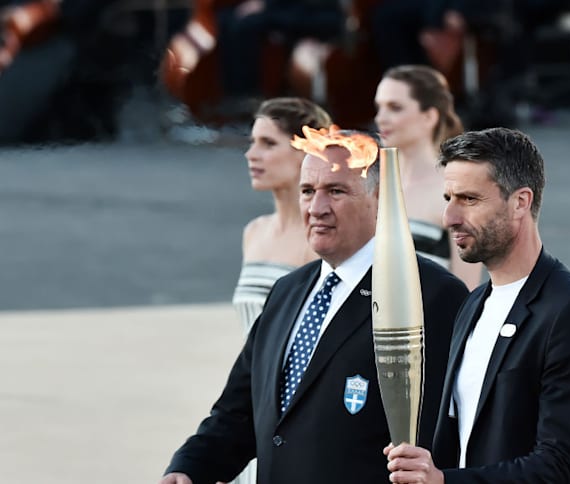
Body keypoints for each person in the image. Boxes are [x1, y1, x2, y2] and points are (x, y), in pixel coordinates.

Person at [160, 130, 469, 484]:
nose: (316, 208)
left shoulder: (429, 294)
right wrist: (187, 468)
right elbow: (239, 412)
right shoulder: (287, 293)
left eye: (336, 191)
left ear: (381, 197)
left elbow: (443, 436)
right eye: (307, 191)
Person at [384, 127, 570, 483]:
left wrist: (444, 481)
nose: (449, 217)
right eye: (448, 197)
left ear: (520, 202)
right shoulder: (474, 305)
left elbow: (560, 465)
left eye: (469, 199)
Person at [229, 97, 330, 484]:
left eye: (269, 144)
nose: (252, 154)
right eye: (252, 142)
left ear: (305, 151)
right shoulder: (253, 232)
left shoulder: (321, 243)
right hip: (253, 404)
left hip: (300, 415)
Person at [374, 64, 483, 289]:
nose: (380, 118)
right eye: (379, 107)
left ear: (429, 116)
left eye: (395, 107)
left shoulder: (457, 190)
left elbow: (465, 290)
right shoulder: (370, 183)